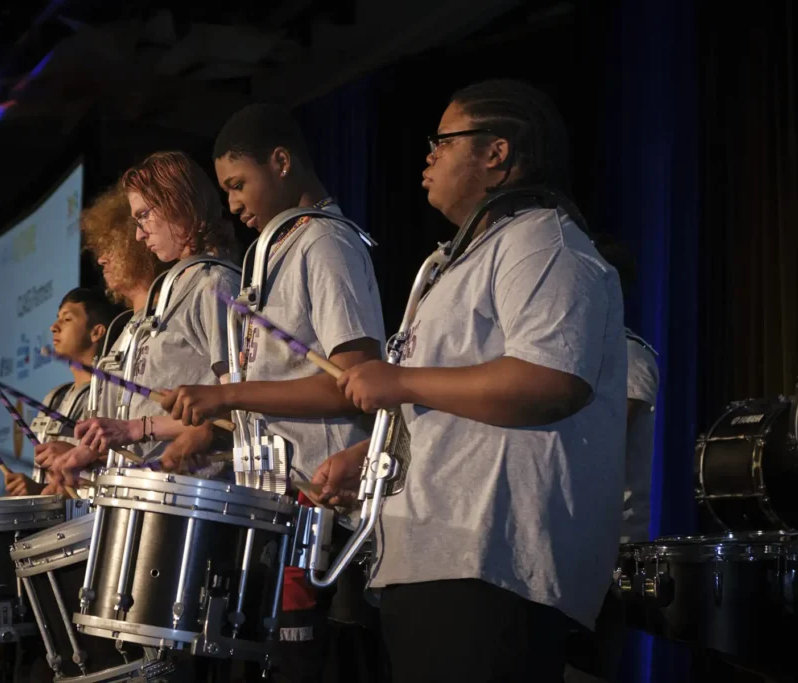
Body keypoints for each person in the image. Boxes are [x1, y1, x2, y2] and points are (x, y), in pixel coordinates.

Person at [311, 79, 628, 683]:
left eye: (443, 139)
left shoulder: (543, 241)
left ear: (496, 153)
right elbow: (453, 399)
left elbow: (549, 380)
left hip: (491, 562)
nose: (427, 154)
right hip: (430, 554)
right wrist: (373, 453)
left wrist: (399, 384)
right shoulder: (451, 264)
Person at [158, 104, 386, 683]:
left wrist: (229, 398)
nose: (233, 203)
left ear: (281, 163)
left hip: (326, 513)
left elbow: (352, 383)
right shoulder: (281, 249)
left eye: (238, 184)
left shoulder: (325, 245)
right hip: (281, 510)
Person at [40, 151, 240, 487]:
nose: (139, 236)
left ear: (177, 203)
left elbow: (235, 406)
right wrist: (94, 448)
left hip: (197, 497)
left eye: (144, 216)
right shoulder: (176, 290)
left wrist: (148, 430)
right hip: (153, 493)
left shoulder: (214, 283)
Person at [564, 234, 660, 683]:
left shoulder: (632, 354)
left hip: (608, 549)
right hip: (562, 540)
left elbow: (601, 437)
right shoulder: (574, 354)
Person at [4, 287, 117, 496]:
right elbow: (54, 490)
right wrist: (35, 490)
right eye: (57, 319)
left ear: (97, 332)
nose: (54, 327)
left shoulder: (114, 394)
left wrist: (78, 454)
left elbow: (126, 462)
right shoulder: (55, 397)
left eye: (67, 319)